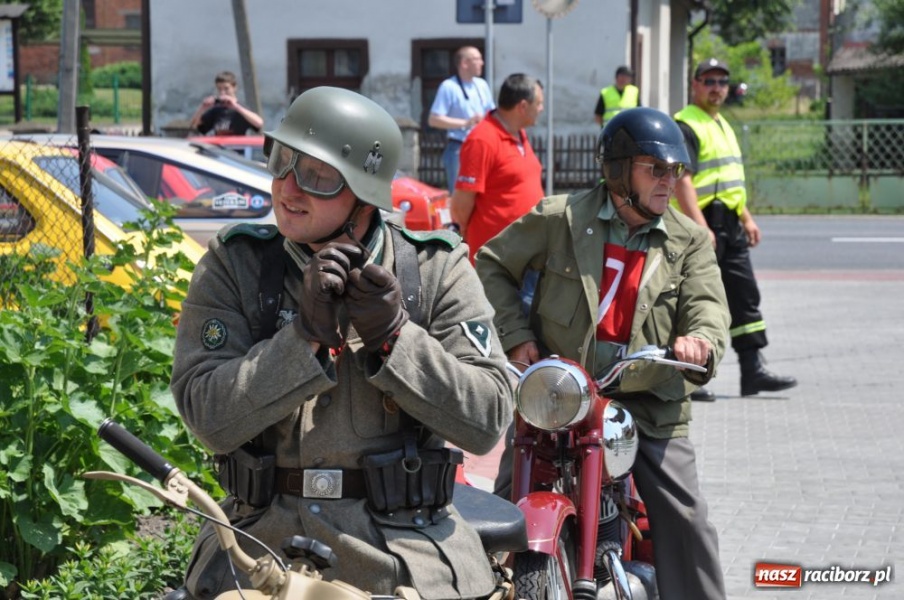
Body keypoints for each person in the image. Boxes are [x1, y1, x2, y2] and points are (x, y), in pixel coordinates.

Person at [170, 86, 513, 599]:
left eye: (318, 176)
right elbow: (207, 417)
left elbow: (487, 420)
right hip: (257, 548)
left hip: (404, 556)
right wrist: (301, 339)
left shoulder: (435, 269)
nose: (288, 188)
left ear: (365, 191)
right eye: (283, 162)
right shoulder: (236, 265)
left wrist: (396, 337)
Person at [476, 107, 730, 600]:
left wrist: (699, 341)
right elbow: (490, 264)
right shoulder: (561, 218)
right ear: (617, 170)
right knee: (502, 504)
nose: (668, 181)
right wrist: (513, 334)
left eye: (675, 171)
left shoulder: (690, 240)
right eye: (655, 168)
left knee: (687, 518)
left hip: (647, 401)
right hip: (559, 396)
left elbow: (707, 309)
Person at [673, 58, 798, 400]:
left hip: (730, 221)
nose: (716, 88)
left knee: (744, 296)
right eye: (709, 80)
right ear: (695, 84)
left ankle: (752, 371)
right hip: (703, 222)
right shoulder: (686, 124)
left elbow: (729, 181)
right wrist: (700, 228)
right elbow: (682, 180)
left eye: (722, 82)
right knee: (693, 299)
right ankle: (688, 378)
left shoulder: (723, 124)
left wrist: (747, 218)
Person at [451, 73, 544, 264]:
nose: (541, 109)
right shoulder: (482, 140)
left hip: (525, 252)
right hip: (498, 260)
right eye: (539, 103)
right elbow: (461, 206)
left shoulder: (519, 134)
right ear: (523, 107)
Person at [428, 46, 496, 193]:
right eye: (477, 59)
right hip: (459, 148)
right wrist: (466, 123)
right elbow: (434, 119)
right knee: (461, 194)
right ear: (464, 63)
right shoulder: (449, 87)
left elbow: (492, 113)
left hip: (482, 147)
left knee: (485, 192)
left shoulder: (482, 85)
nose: (482, 63)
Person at [190, 70, 264, 136]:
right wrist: (203, 107)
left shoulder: (241, 109)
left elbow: (259, 123)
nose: (223, 93)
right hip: (219, 149)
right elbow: (194, 125)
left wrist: (235, 106)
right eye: (219, 89)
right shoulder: (216, 110)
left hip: (237, 149)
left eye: (226, 89)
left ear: (234, 88)